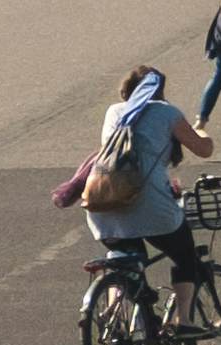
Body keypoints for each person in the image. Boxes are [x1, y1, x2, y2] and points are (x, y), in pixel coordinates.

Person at [76, 62, 207, 291]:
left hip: (102, 207)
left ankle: (117, 311)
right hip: (151, 205)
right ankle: (184, 322)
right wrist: (203, 131)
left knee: (127, 265)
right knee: (186, 257)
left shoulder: (114, 111)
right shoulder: (167, 113)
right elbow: (204, 149)